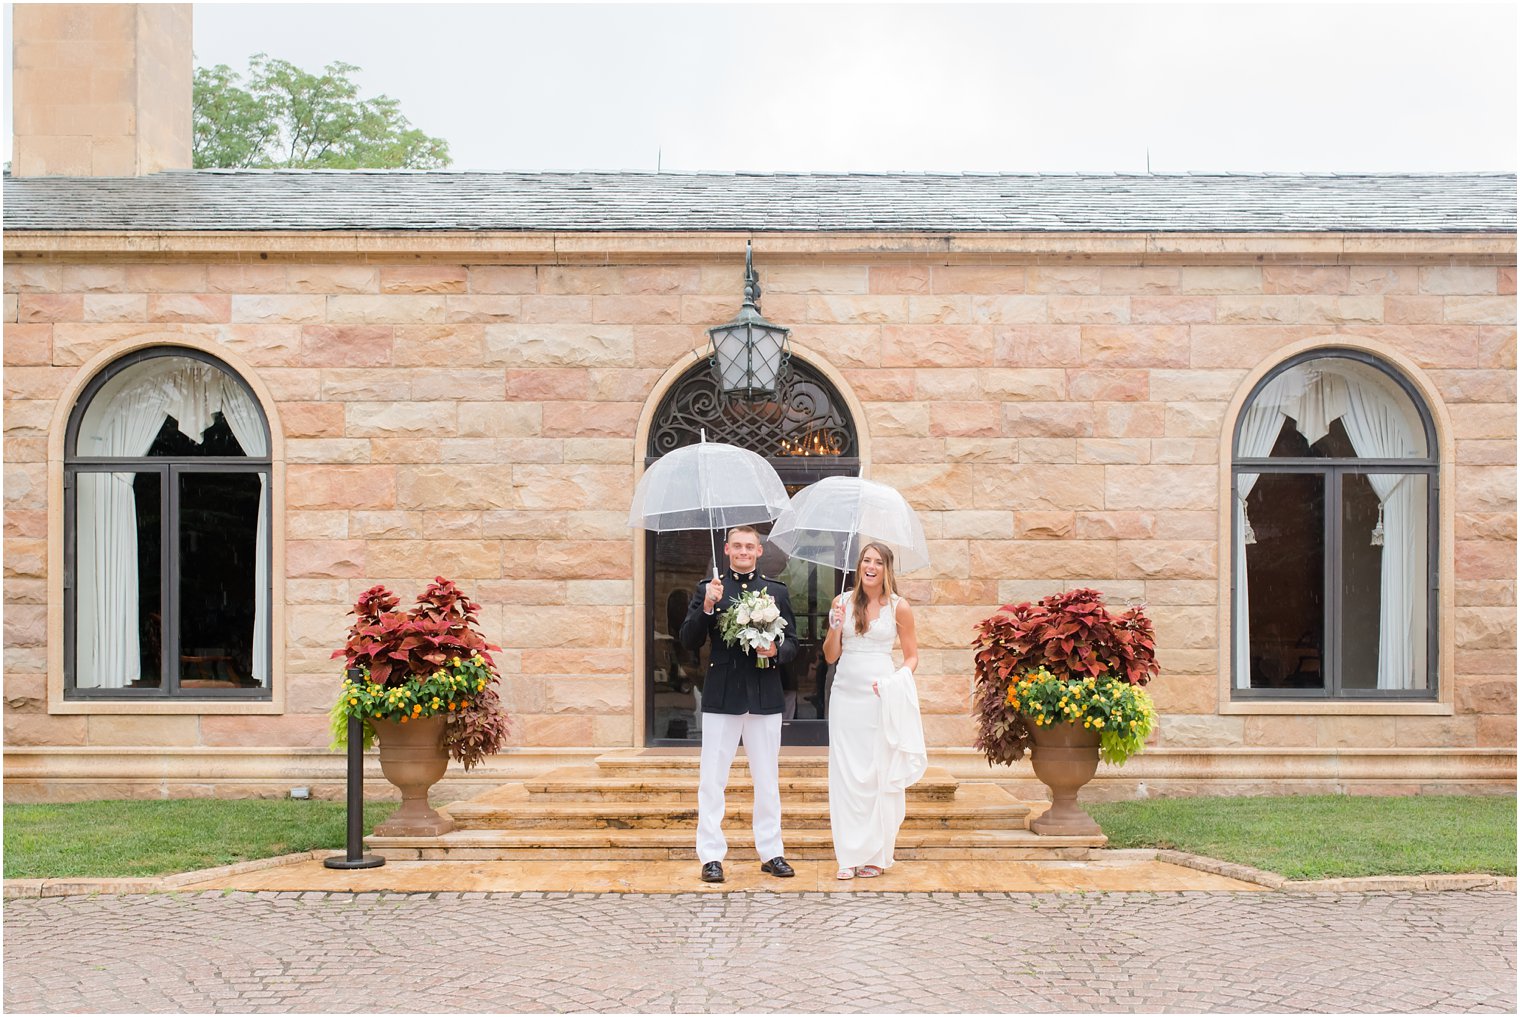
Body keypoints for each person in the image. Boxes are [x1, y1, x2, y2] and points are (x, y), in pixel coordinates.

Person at [678, 524, 799, 884]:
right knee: (712, 779)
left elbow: (793, 642)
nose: (744, 552)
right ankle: (711, 855)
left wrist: (776, 650)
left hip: (764, 695)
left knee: (767, 780)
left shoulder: (776, 591)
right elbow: (688, 638)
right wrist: (708, 606)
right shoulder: (709, 589)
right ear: (727, 550)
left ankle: (771, 851)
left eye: (750, 546)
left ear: (759, 552)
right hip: (722, 695)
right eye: (737, 546)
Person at [822, 542, 924, 880]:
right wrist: (836, 626)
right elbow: (830, 656)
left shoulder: (900, 607)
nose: (871, 566)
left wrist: (896, 681)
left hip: (881, 698)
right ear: (859, 566)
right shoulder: (841, 603)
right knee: (846, 776)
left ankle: (877, 855)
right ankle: (848, 855)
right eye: (866, 560)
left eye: (878, 562)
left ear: (886, 569)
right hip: (845, 699)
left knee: (876, 773)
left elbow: (912, 656)